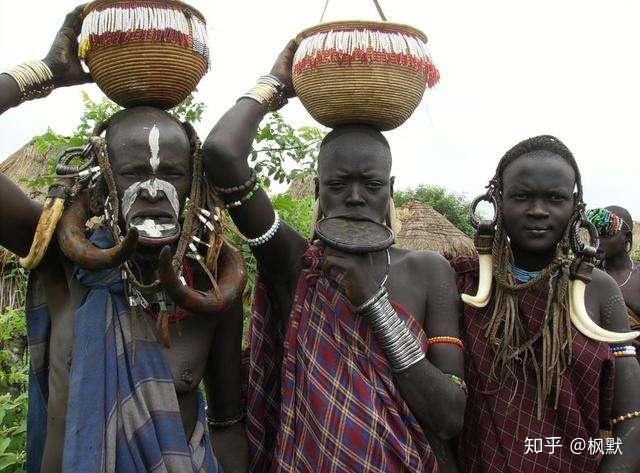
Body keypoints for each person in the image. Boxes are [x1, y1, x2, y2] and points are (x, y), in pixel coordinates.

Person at [0, 6, 247, 472]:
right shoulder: (62, 261)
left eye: (170, 174)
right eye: (135, 171)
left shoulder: (213, 291)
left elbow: (228, 426)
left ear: (192, 186)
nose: (153, 189)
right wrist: (45, 73)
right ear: (100, 182)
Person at [202, 41, 466, 472]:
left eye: (372, 185)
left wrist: (373, 305)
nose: (356, 197)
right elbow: (222, 155)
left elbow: (450, 414)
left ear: (390, 190)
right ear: (319, 189)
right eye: (339, 184)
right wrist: (274, 84)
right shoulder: (294, 263)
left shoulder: (426, 270)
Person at [452, 135, 640, 472]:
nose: (538, 211)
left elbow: (631, 419)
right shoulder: (463, 281)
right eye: (522, 196)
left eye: (554, 198)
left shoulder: (599, 290)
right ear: (496, 200)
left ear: (575, 207)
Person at [588, 206, 640, 331]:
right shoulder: (587, 276)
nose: (597, 241)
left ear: (627, 237)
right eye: (595, 233)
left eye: (606, 234)